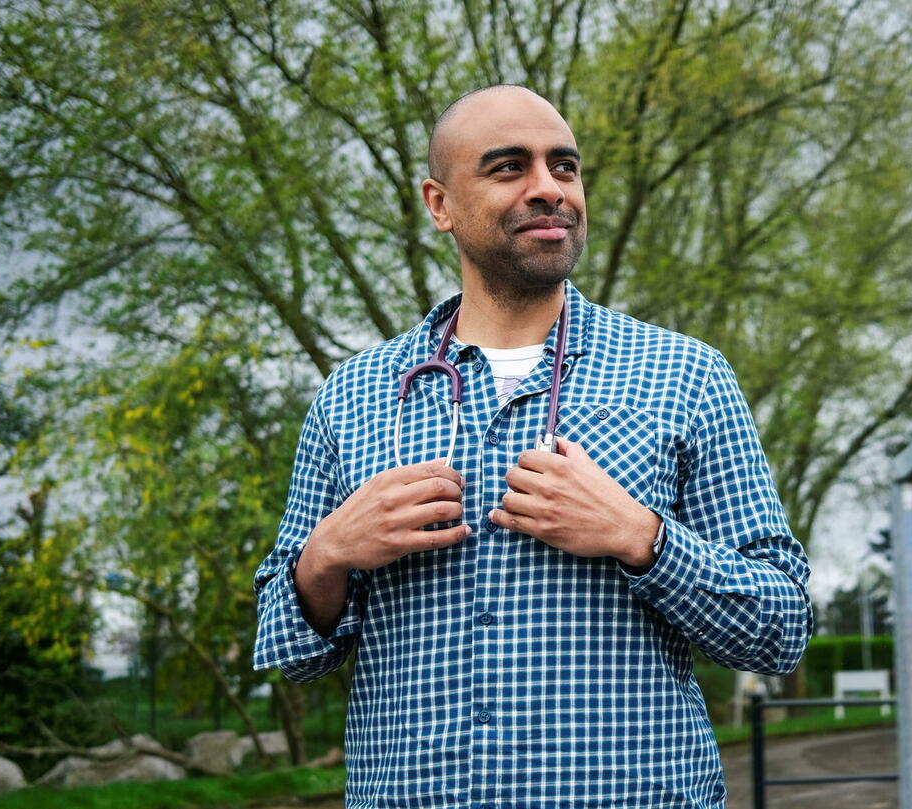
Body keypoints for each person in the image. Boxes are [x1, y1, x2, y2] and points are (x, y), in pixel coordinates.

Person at [251, 84, 813, 809]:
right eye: (509, 167)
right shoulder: (354, 397)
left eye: (565, 167)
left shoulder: (687, 376)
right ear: (439, 204)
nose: (549, 189)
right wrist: (327, 554)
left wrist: (642, 537)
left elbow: (781, 631)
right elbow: (287, 649)